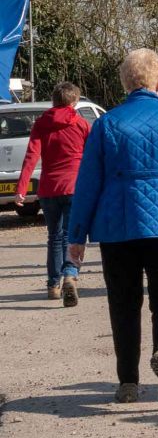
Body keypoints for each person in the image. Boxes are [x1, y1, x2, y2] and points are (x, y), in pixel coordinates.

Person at [67, 49, 158, 405]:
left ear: (125, 82)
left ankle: (128, 382)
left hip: (118, 223)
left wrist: (76, 238)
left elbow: (87, 182)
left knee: (123, 302)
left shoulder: (107, 123)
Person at [15, 81, 91, 304]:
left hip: (48, 189)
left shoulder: (41, 124)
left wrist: (22, 189)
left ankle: (52, 284)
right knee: (71, 235)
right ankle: (70, 273)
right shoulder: (81, 124)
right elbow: (93, 158)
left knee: (53, 237)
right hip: (74, 187)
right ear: (74, 101)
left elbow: (31, 156)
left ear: (54, 100)